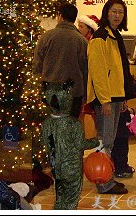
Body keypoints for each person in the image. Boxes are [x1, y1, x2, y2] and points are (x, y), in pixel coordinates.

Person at [86, 0, 135, 195]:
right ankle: (103, 183)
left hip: (115, 96)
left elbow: (119, 69)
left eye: (121, 12)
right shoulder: (100, 37)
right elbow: (98, 72)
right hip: (105, 98)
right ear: (106, 13)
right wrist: (104, 100)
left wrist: (123, 96)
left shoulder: (115, 36)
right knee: (104, 141)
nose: (117, 15)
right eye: (114, 11)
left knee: (110, 141)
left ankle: (108, 178)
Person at [41, 79, 100, 210]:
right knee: (71, 198)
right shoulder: (74, 124)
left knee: (60, 196)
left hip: (56, 167)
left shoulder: (46, 123)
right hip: (72, 168)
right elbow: (80, 144)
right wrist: (95, 142)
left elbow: (45, 142)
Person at [33, 2, 88, 119]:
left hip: (51, 89)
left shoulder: (47, 36)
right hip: (74, 92)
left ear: (60, 16)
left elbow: (37, 64)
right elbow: (86, 69)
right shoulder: (82, 41)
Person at [76, 14, 100, 133]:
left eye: (81, 26)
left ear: (89, 28)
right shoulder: (80, 41)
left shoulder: (93, 43)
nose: (78, 29)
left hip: (91, 83)